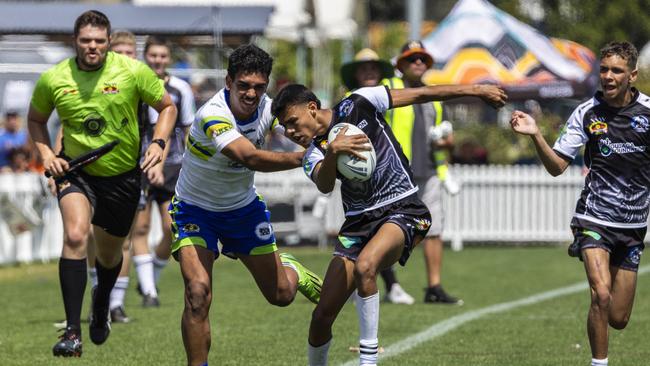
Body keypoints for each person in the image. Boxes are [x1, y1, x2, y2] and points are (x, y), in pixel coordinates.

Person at [271, 81, 506, 365]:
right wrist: (332, 151)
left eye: (293, 122)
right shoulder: (312, 153)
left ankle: (368, 361)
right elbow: (324, 184)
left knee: (366, 266)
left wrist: (477, 90)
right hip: (358, 225)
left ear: (312, 108)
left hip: (404, 209)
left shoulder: (359, 102)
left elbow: (421, 93)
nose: (291, 132)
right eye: (285, 127)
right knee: (322, 316)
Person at [27, 10, 177, 357]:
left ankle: (102, 303)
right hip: (76, 171)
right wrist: (48, 154)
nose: (92, 47)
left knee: (110, 255)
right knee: (77, 235)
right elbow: (36, 120)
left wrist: (158, 142)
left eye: (98, 41)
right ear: (74, 41)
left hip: (122, 178)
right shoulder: (54, 78)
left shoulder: (132, 71)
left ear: (108, 42)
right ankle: (71, 332)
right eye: (85, 41)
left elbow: (166, 107)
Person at [171, 43, 322, 366]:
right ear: (228, 82)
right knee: (197, 294)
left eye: (258, 87)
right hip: (194, 210)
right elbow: (248, 157)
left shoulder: (269, 108)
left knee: (281, 295)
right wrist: (305, 157)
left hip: (242, 209)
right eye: (243, 86)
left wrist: (330, 138)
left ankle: (292, 268)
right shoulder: (212, 114)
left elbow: (305, 123)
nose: (251, 94)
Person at [510, 41, 648, 366]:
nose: (609, 77)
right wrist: (535, 135)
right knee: (600, 294)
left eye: (617, 70)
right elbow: (557, 166)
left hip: (632, 228)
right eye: (604, 69)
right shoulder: (587, 112)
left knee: (619, 317)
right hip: (594, 220)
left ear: (633, 75)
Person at [383, 41, 463, 305]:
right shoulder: (389, 90)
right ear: (401, 64)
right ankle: (385, 283)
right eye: (412, 58)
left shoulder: (434, 97)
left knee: (435, 229)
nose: (418, 63)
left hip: (428, 171)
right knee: (386, 230)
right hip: (396, 172)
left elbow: (441, 137)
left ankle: (434, 287)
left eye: (422, 59)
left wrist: (446, 147)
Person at [340, 48, 415, 305]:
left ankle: (379, 284)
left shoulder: (388, 98)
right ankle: (384, 285)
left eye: (374, 67)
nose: (370, 71)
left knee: (381, 233)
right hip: (362, 178)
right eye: (364, 68)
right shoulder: (350, 102)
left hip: (396, 176)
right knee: (367, 232)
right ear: (356, 74)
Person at [131, 35, 195, 307]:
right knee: (141, 227)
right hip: (140, 165)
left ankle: (150, 280)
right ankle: (149, 292)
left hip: (173, 166)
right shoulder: (134, 85)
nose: (157, 60)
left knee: (171, 228)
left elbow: (189, 128)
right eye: (153, 55)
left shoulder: (181, 88)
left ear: (169, 58)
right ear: (146, 56)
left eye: (162, 55)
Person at [85, 29, 139, 324]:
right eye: (119, 53)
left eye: (129, 54)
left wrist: (157, 153)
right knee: (91, 235)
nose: (124, 59)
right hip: (92, 173)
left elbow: (163, 123)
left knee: (124, 238)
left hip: (130, 172)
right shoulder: (93, 84)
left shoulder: (143, 84)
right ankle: (100, 296)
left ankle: (114, 303)